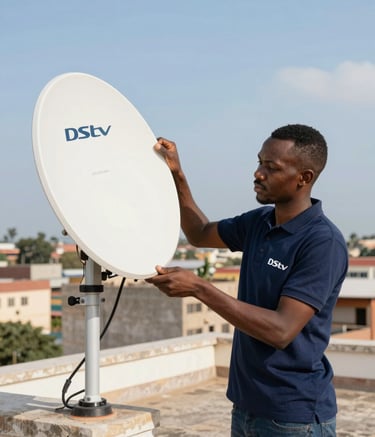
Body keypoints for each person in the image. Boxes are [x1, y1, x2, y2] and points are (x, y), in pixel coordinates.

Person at [146, 124, 348, 436]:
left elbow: (282, 330)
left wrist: (200, 288)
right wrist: (177, 174)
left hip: (294, 417)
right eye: (259, 162)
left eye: (271, 167)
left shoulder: (322, 243)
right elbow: (199, 233)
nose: (258, 174)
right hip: (246, 405)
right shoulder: (259, 222)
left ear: (304, 178)